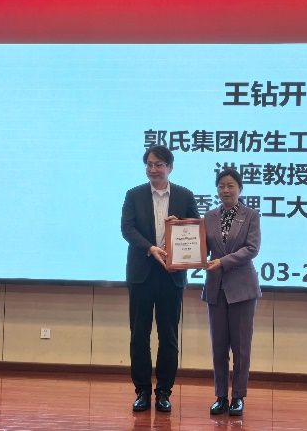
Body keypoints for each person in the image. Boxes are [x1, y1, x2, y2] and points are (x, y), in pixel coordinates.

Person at [121, 145, 200, 413]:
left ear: (170, 167)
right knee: (139, 336)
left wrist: (181, 225)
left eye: (159, 164)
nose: (153, 169)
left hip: (171, 276)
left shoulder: (185, 195)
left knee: (169, 336)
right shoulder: (134, 195)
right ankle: (142, 391)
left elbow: (196, 231)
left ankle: (164, 392)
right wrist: (150, 248)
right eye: (149, 164)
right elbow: (127, 229)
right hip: (141, 275)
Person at [202, 167, 262, 417]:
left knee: (241, 347)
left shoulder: (251, 215)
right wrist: (178, 230)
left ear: (240, 188)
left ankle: (238, 396)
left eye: (230, 185)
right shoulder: (209, 216)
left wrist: (223, 262)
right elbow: (199, 247)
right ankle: (220, 396)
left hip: (242, 289)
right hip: (216, 288)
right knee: (218, 346)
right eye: (221, 186)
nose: (225, 190)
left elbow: (252, 249)